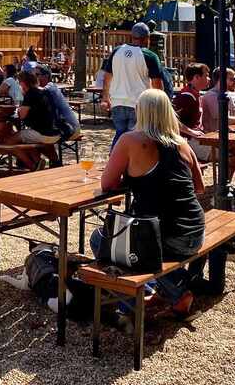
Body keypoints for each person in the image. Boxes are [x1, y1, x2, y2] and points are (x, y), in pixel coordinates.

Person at [91, 89, 221, 316]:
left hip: (164, 237)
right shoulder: (182, 143)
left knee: (100, 238)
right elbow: (199, 187)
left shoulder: (130, 140)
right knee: (137, 241)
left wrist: (135, 178)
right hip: (194, 231)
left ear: (140, 112)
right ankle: (163, 290)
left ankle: (177, 292)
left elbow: (107, 184)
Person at [98, 23, 164, 147]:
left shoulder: (117, 51)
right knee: (135, 139)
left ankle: (115, 160)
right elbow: (157, 85)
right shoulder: (149, 56)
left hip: (117, 102)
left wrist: (105, 97)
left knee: (121, 135)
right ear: (147, 38)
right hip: (139, 104)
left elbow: (107, 76)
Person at [200, 66, 235, 198]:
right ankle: (227, 187)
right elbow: (223, 118)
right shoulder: (211, 96)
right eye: (232, 79)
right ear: (221, 80)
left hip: (227, 137)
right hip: (212, 140)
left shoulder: (226, 95)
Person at [0, 70, 60, 171]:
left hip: (43, 133)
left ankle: (32, 165)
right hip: (56, 132)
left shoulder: (30, 94)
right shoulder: (42, 92)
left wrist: (19, 109)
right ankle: (37, 160)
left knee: (10, 141)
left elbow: (22, 116)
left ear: (23, 83)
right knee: (23, 139)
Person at [172, 62, 211, 148]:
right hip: (187, 141)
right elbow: (170, 119)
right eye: (206, 76)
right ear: (196, 77)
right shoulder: (186, 97)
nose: (209, 79)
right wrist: (191, 132)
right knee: (227, 155)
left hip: (198, 137)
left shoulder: (195, 94)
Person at [37, 65, 80, 139]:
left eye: (37, 75)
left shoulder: (50, 87)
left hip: (70, 129)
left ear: (46, 76)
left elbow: (42, 90)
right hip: (66, 127)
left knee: (31, 136)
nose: (34, 77)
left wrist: (29, 86)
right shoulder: (50, 87)